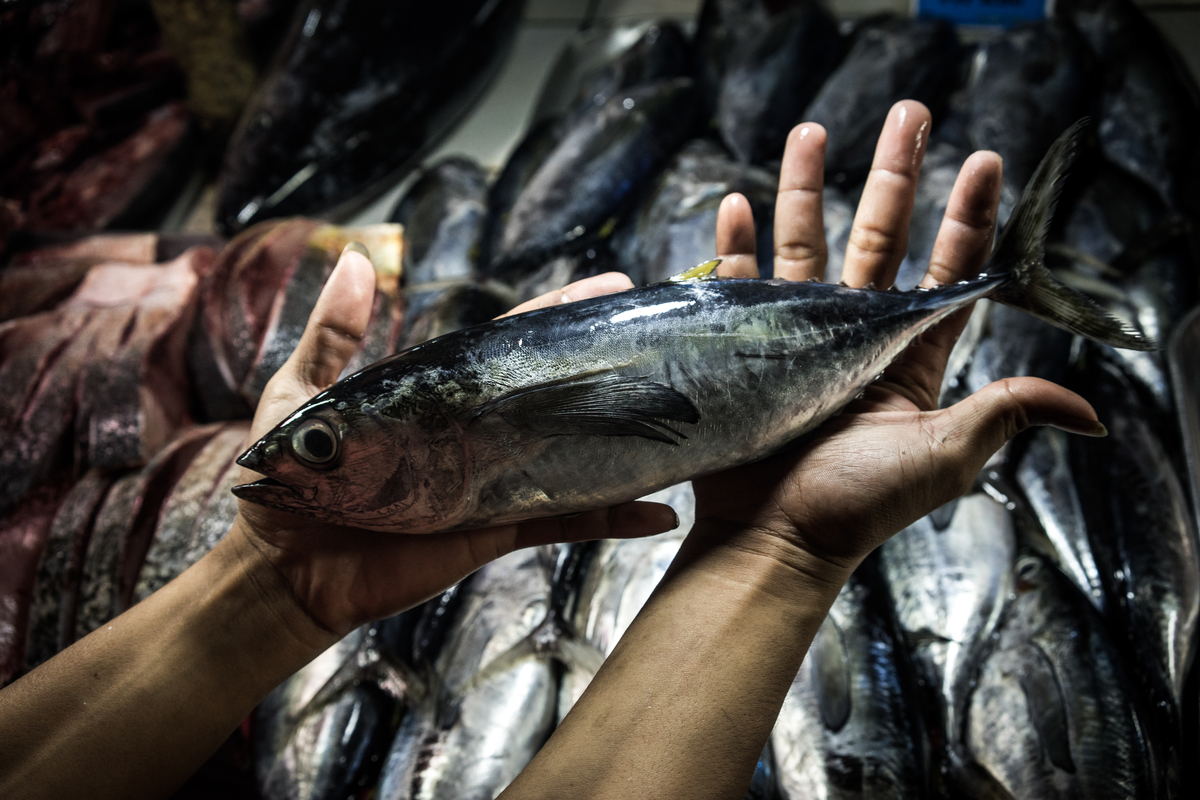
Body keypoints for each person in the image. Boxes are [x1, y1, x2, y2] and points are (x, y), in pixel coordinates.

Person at [0, 101, 1106, 800]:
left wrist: (267, 588)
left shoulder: (438, 429)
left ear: (419, 424)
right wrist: (267, 574)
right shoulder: (342, 491)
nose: (281, 474)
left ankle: (1007, 266)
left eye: (328, 440)